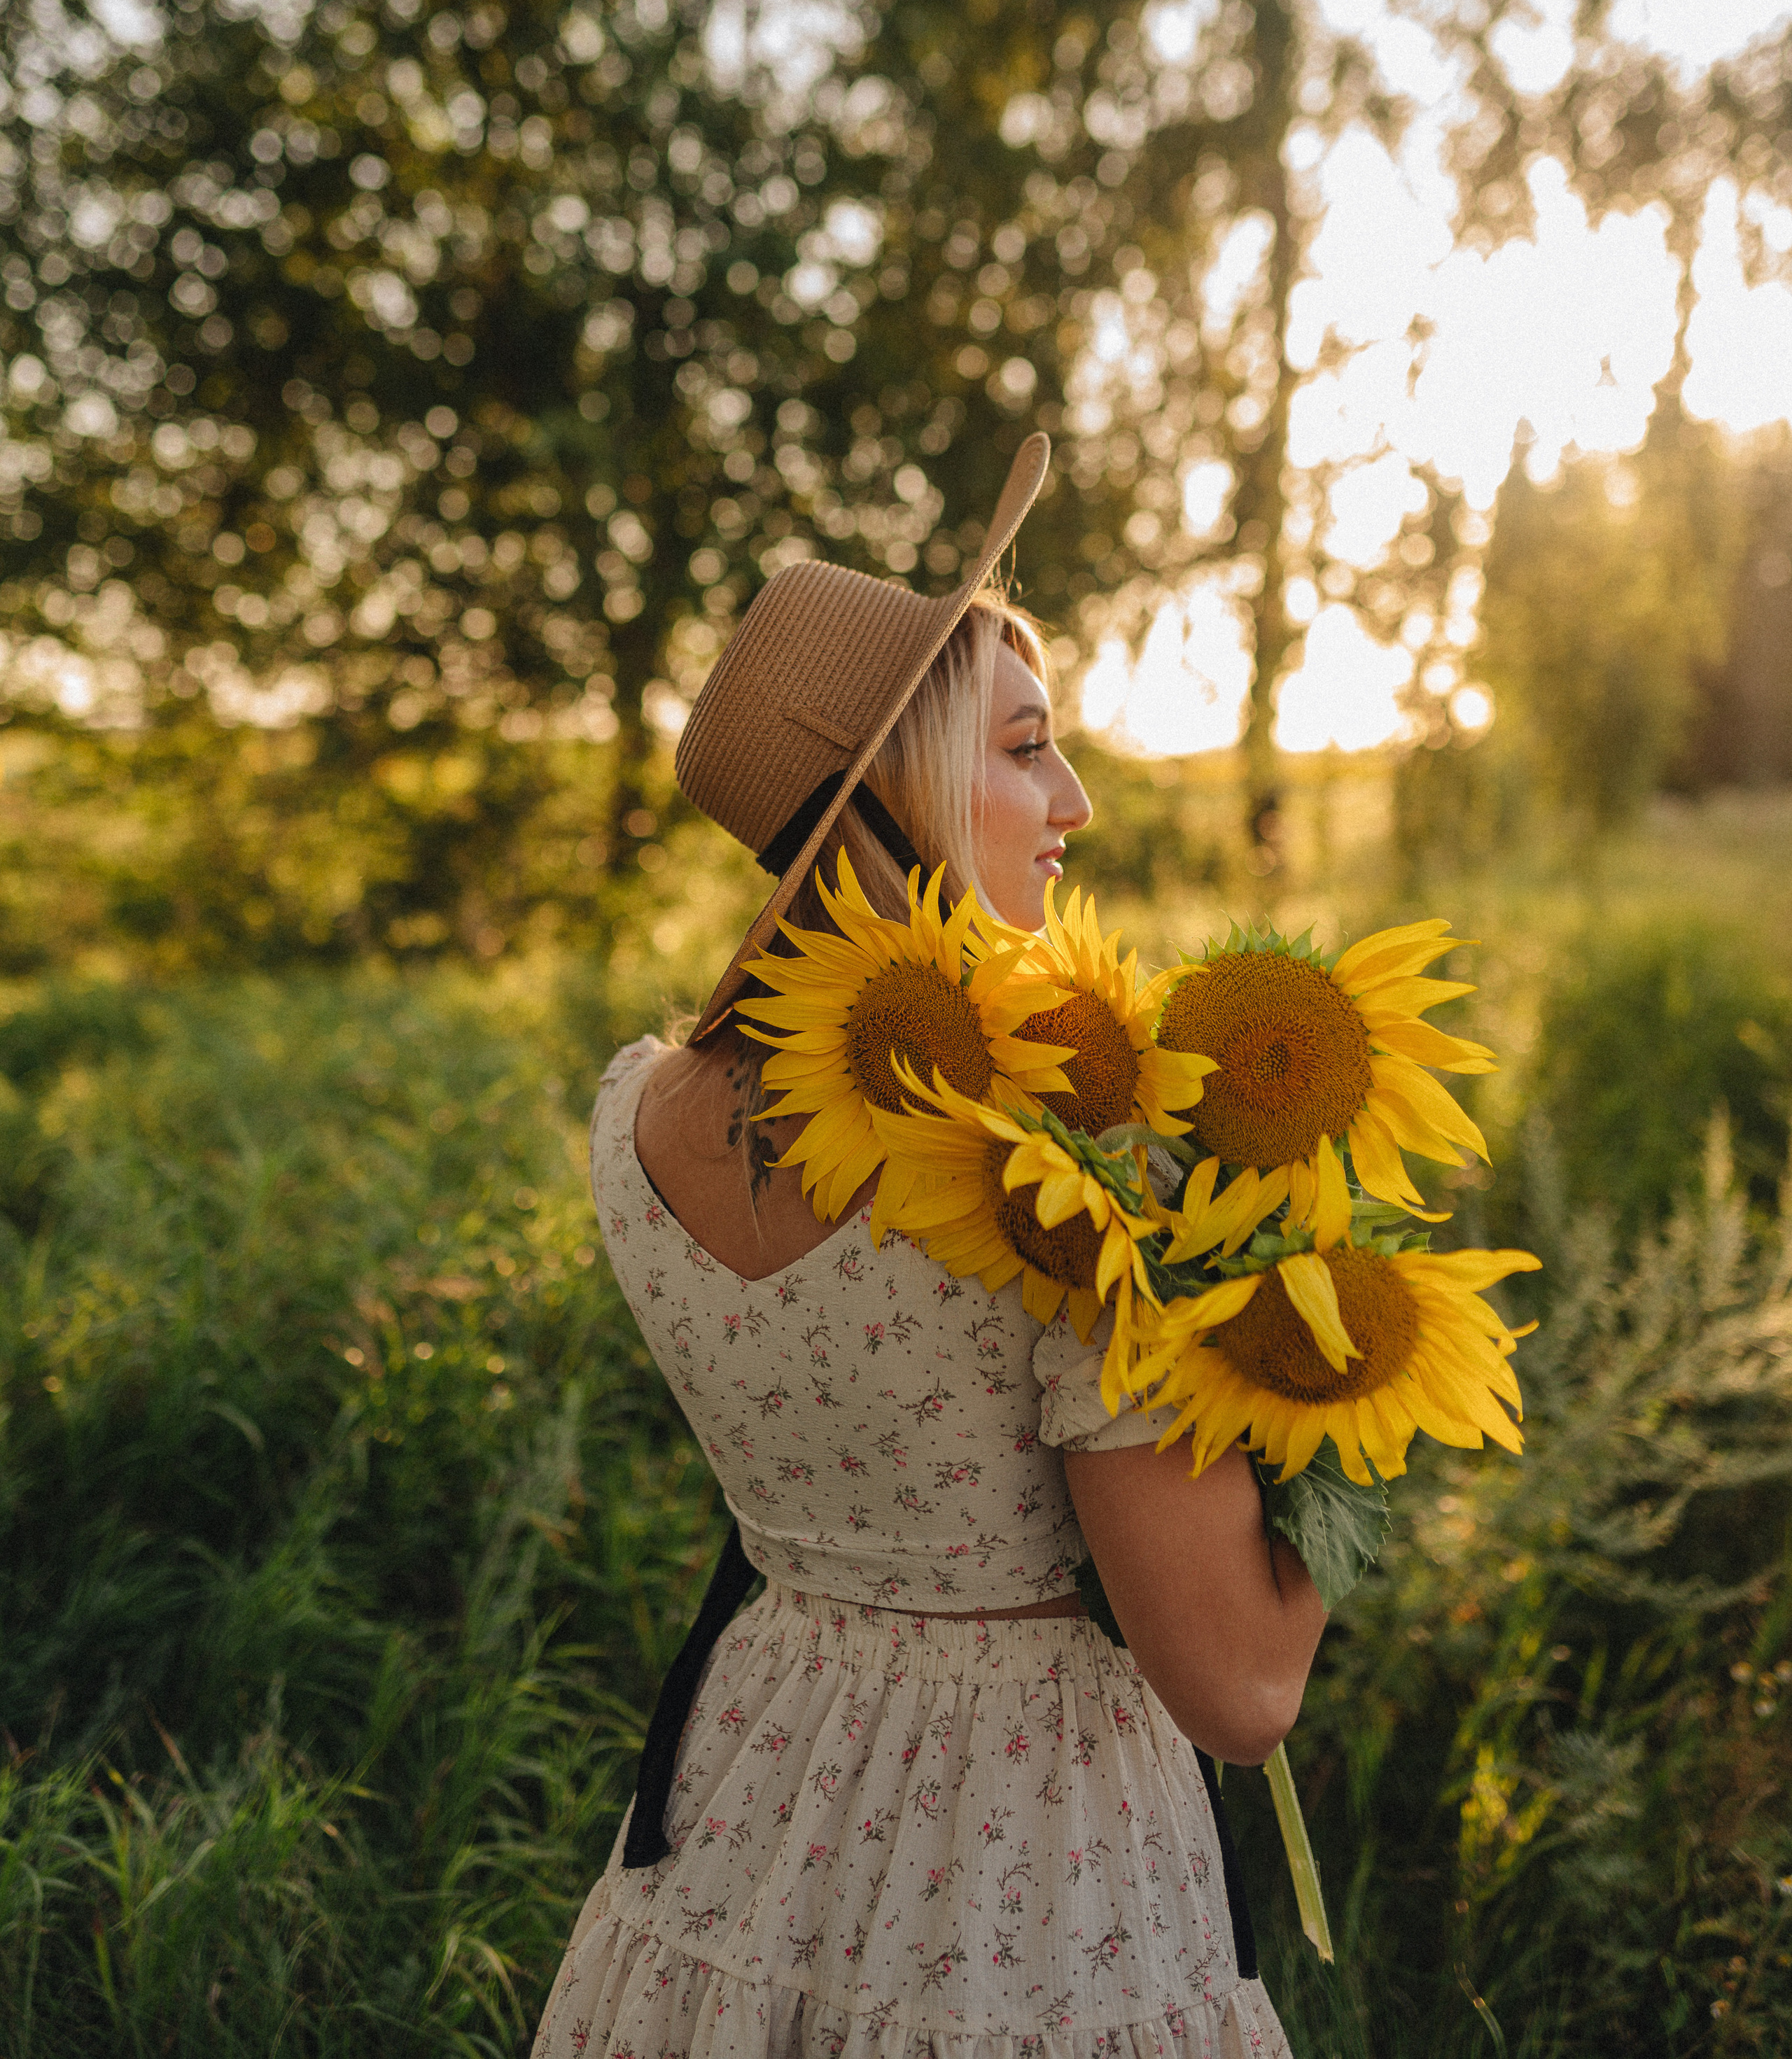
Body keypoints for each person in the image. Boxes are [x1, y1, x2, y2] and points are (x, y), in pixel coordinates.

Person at [533, 434, 1324, 2059]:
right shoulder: (1055, 1173)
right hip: (1023, 1855)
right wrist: (1337, 1382)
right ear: (890, 786)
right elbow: (1238, 1695)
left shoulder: (638, 1118)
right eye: (1025, 749)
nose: (1075, 802)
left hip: (758, 1784)